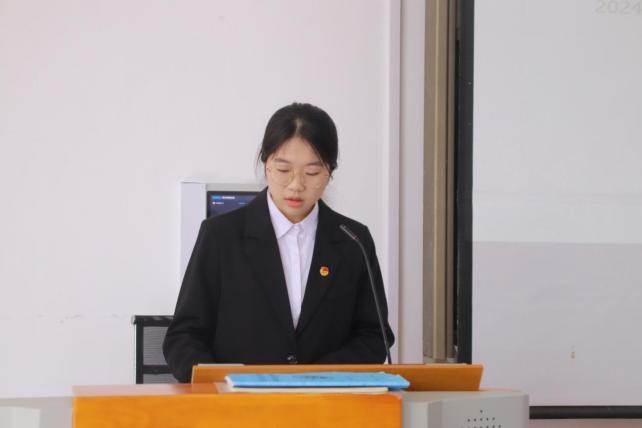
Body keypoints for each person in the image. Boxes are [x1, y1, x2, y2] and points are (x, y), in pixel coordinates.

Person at [163, 102, 394, 382]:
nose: (296, 185)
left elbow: (374, 336)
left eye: (311, 173)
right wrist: (219, 385)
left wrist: (318, 378)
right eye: (284, 170)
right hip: (239, 403)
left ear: (329, 172)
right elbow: (184, 337)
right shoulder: (221, 236)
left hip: (326, 401)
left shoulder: (353, 240)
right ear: (266, 164)